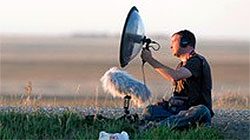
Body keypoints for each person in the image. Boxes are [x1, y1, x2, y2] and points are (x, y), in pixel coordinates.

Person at [140, 30, 214, 129]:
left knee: (201, 110)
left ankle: (158, 127)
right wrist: (170, 103)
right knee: (150, 110)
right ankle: (174, 124)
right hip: (179, 112)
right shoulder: (181, 65)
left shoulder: (196, 62)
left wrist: (150, 60)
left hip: (192, 112)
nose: (171, 47)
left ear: (185, 42)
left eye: (173, 42)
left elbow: (175, 75)